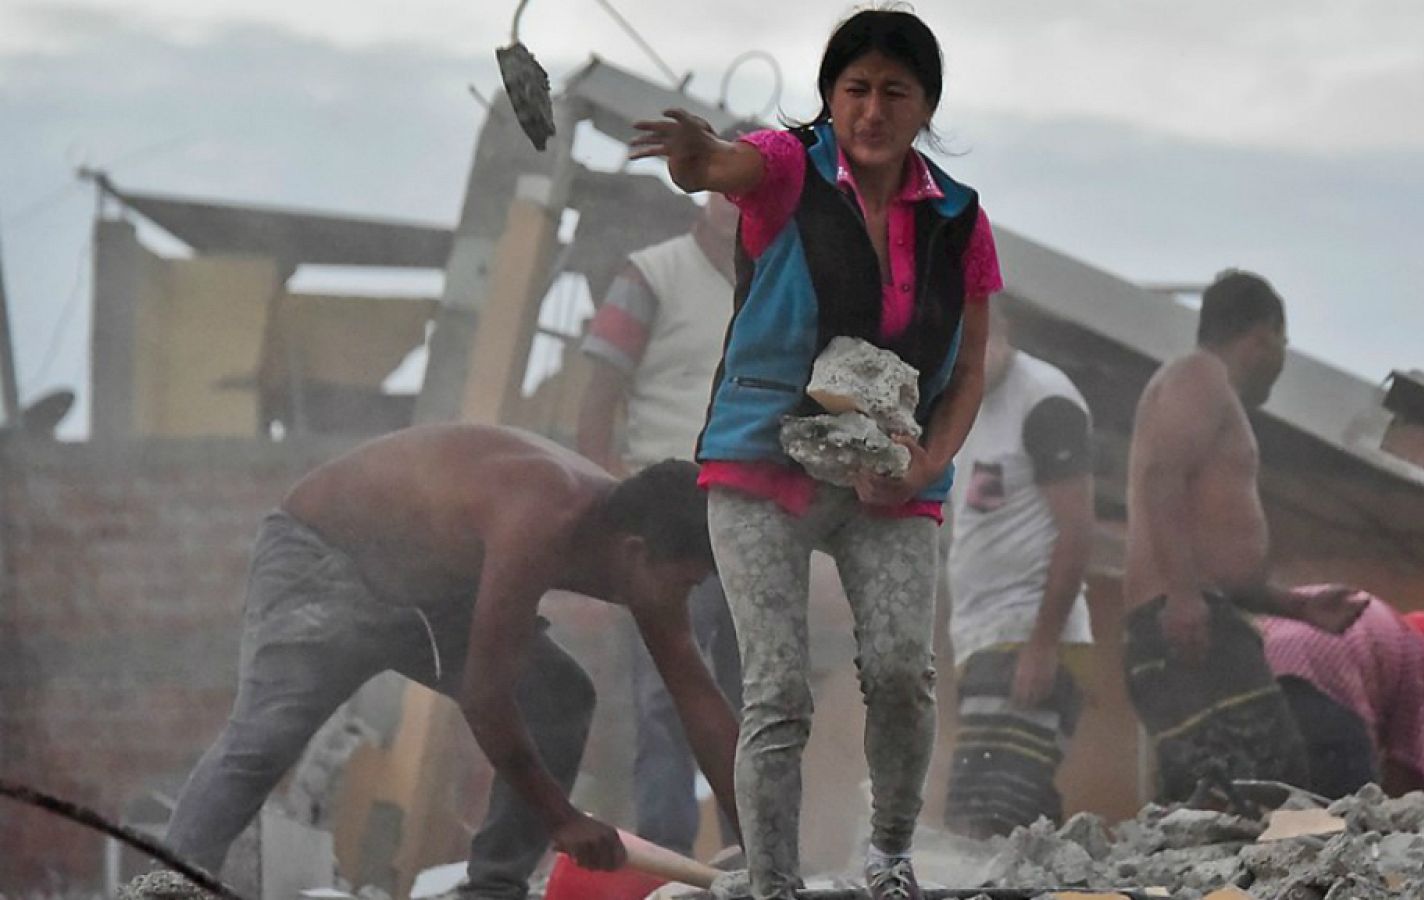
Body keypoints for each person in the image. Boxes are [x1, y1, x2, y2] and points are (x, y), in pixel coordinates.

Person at [630, 9, 1001, 899]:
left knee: (904, 672)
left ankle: (888, 856)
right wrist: (693, 158)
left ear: (926, 108)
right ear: (831, 99)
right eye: (854, 90)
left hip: (889, 472)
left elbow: (971, 368)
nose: (871, 110)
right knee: (779, 691)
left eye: (893, 92)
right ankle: (775, 885)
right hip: (762, 463)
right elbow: (726, 164)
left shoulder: (960, 218)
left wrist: (924, 463)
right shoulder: (791, 167)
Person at [160, 424, 740, 900]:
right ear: (636, 553)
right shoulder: (543, 512)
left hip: (435, 596)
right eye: (685, 584)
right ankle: (168, 885)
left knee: (560, 698)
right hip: (327, 560)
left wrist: (759, 851)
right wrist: (561, 818)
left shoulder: (647, 553)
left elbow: (700, 704)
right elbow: (486, 695)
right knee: (265, 739)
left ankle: (492, 889)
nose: (683, 601)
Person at [1122, 270, 1364, 803]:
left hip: (1196, 617)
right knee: (1264, 786)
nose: (1282, 359)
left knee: (1232, 798)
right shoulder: (1198, 378)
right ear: (1265, 334)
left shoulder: (1210, 392)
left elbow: (1219, 561)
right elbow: (1162, 478)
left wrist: (1297, 608)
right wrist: (1184, 598)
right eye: (1284, 343)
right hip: (1183, 625)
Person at [576, 193, 745, 856]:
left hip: (757, 518)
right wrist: (607, 515)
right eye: (728, 192)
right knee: (667, 697)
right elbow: (597, 404)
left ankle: (752, 855)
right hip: (675, 516)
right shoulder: (651, 275)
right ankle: (669, 859)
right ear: (706, 200)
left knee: (757, 697)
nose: (739, 206)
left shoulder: (778, 282)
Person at [943, 304, 1096, 838]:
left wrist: (1042, 645)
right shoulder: (966, 408)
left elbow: (1078, 532)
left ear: (1002, 331)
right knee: (1019, 817)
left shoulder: (1045, 400)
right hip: (982, 640)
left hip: (1028, 637)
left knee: (985, 812)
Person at [1261, 591, 1424, 797]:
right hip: (1319, 696)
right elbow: (1408, 769)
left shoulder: (1384, 630)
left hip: (1255, 680)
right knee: (1350, 809)